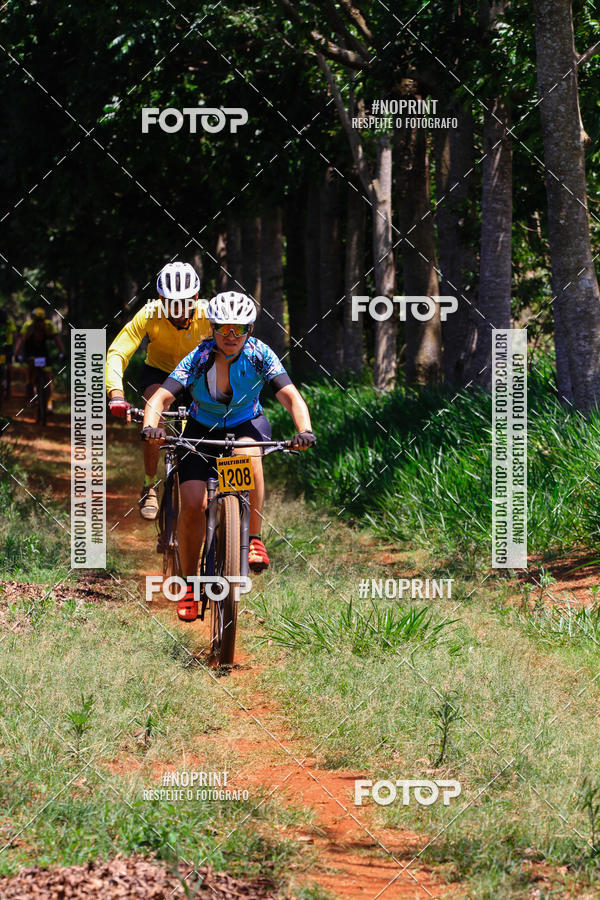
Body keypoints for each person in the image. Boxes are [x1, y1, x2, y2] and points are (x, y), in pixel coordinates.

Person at [141, 290, 316, 620]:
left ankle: (253, 539)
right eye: (224, 329)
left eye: (239, 329)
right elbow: (162, 397)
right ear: (213, 328)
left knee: (248, 456)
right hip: (200, 429)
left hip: (245, 424)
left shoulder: (260, 355)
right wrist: (152, 426)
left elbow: (292, 397)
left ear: (249, 329)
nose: (231, 336)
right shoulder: (199, 356)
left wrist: (304, 430)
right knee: (192, 503)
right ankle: (190, 585)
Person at [106, 261, 211, 520]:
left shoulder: (210, 314)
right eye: (170, 302)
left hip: (197, 376)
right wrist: (116, 394)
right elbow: (118, 352)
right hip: (160, 374)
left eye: (184, 302)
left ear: (196, 298)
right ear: (160, 298)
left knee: (203, 428)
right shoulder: (150, 313)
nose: (176, 310)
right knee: (156, 417)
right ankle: (149, 485)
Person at [14, 307, 65, 411]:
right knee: (31, 366)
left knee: (49, 377)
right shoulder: (28, 327)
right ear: (33, 320)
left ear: (44, 320)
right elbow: (21, 341)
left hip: (42, 349)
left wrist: (62, 353)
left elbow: (57, 340)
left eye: (41, 320)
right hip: (30, 349)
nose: (39, 323)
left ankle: (49, 403)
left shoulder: (49, 325)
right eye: (37, 320)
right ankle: (30, 387)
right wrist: (17, 354)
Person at [0, 309, 16, 398]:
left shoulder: (10, 323)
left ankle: (8, 388)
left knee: (9, 369)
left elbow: (15, 334)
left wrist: (17, 349)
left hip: (8, 347)